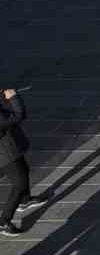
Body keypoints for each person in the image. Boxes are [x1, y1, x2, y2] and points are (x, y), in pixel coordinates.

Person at [0, 88, 45, 236]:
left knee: (24, 171)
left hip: (9, 150)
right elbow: (19, 115)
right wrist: (13, 98)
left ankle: (25, 200)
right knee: (19, 183)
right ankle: (4, 221)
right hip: (6, 155)